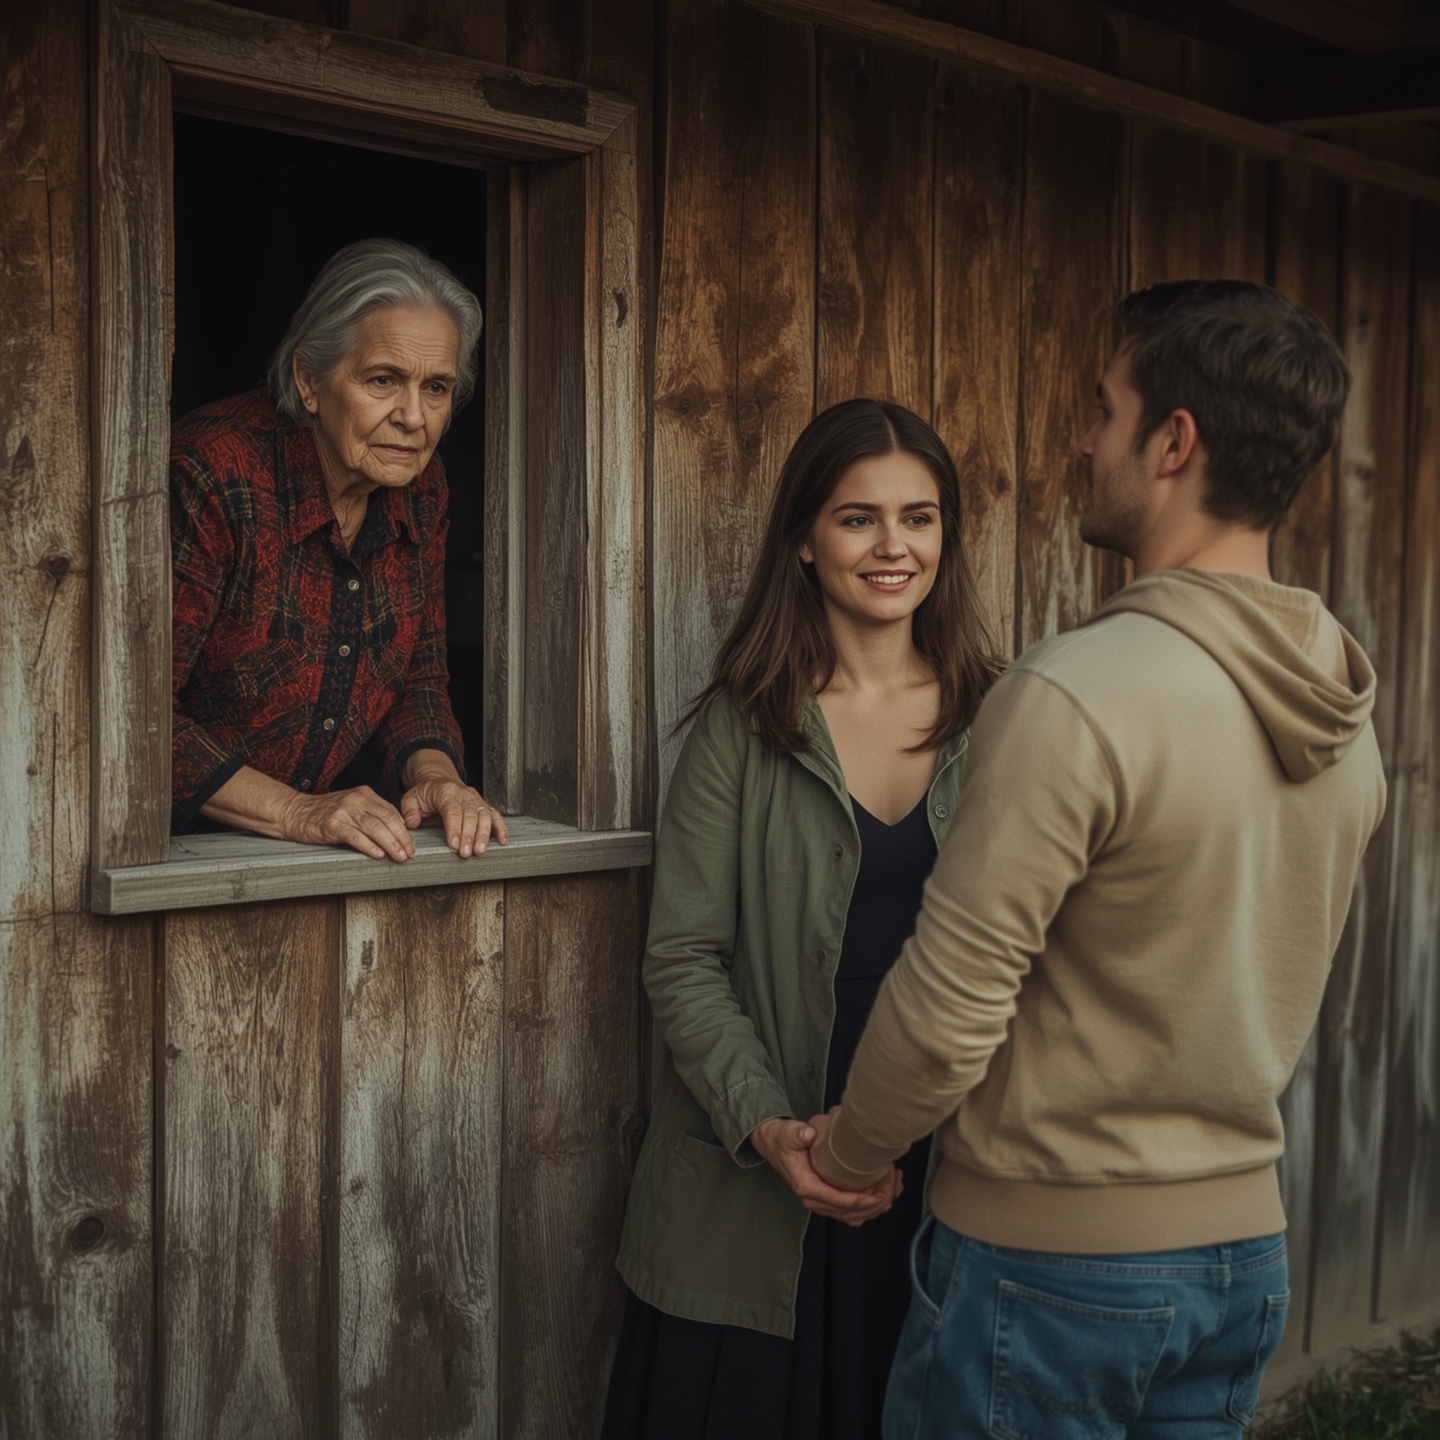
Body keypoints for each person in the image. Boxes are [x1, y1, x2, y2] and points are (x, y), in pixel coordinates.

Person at [808, 280, 1388, 1438]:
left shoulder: (1077, 692)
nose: (1081, 441)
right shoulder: (1342, 703)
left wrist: (850, 1150)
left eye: (1102, 408)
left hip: (1048, 1268)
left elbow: (950, 1002)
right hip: (1240, 1260)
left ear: (1173, 442)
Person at [604, 400, 1002, 1440]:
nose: (893, 546)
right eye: (858, 518)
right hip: (765, 1157)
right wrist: (770, 1126)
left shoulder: (1004, 718)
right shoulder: (743, 726)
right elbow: (683, 960)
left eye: (918, 517)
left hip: (946, 1155)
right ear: (803, 541)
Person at [169, 238, 507, 863]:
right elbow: (133, 714)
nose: (414, 417)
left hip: (298, 858)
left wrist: (436, 777)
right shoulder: (214, 473)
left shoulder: (419, 488)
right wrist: (297, 811)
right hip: (161, 853)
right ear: (309, 380)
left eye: (436, 387)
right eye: (384, 379)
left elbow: (416, 678)